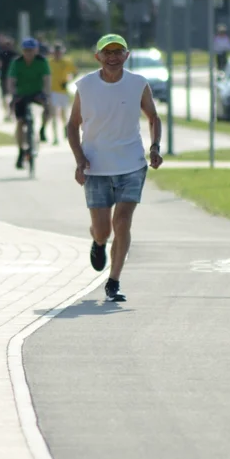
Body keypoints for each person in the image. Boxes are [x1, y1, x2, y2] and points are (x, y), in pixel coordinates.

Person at [66, 34, 163, 303]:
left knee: (122, 223)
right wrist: (79, 159)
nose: (112, 57)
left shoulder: (137, 84)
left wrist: (154, 147)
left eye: (118, 51)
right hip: (96, 166)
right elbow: (72, 125)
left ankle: (114, 281)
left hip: (131, 164)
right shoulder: (85, 86)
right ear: (97, 56)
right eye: (107, 52)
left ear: (126, 55)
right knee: (103, 230)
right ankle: (98, 243)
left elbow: (153, 117)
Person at [7, 37, 51, 169]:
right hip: (22, 94)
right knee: (20, 122)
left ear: (36, 50)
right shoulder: (17, 62)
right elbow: (11, 80)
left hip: (37, 93)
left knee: (48, 108)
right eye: (26, 50)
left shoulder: (41, 61)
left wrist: (46, 94)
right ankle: (21, 151)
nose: (29, 53)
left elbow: (47, 79)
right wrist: (13, 94)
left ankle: (43, 128)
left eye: (31, 50)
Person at [46, 42, 76, 146]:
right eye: (55, 52)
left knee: (63, 114)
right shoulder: (49, 62)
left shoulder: (67, 62)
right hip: (52, 91)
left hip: (63, 91)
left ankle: (65, 128)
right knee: (53, 114)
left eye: (59, 52)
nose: (57, 54)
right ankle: (55, 137)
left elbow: (74, 72)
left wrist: (68, 81)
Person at [0, 37, 19, 121]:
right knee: (13, 96)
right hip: (14, 78)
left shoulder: (1, 54)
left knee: (4, 96)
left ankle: (7, 112)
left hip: (4, 76)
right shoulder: (16, 54)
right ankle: (11, 112)